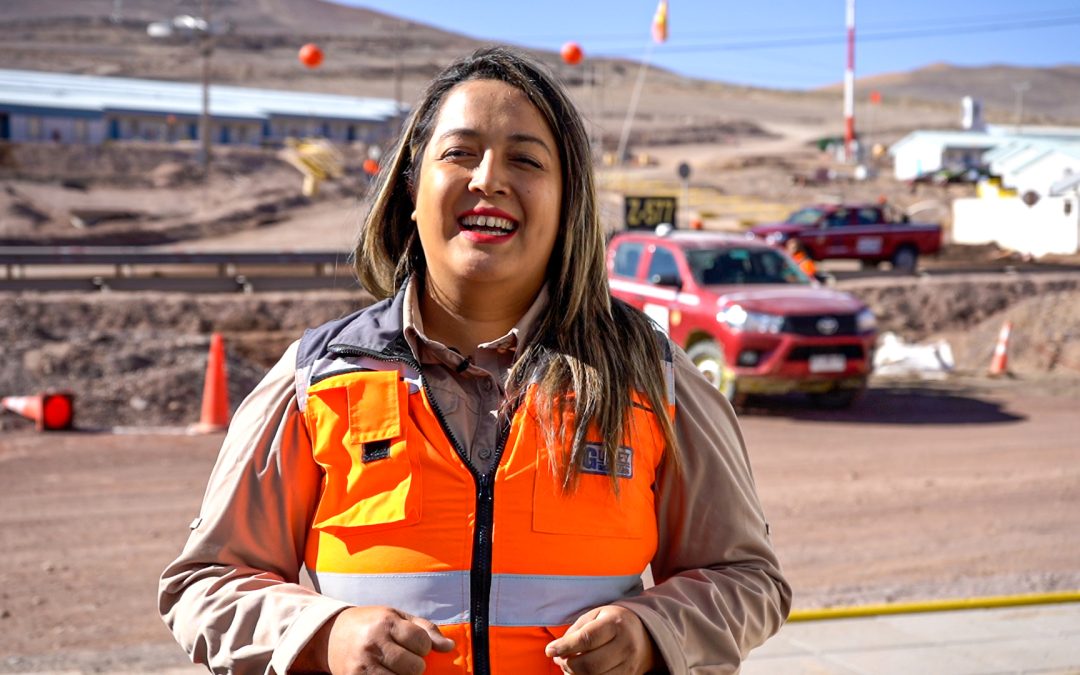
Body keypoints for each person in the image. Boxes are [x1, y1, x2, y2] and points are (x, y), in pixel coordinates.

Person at [159, 46, 790, 675]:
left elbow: (747, 579)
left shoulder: (653, 377)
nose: (489, 178)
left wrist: (654, 633)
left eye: (525, 158)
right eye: (460, 153)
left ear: (569, 200)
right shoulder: (315, 378)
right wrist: (326, 634)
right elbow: (205, 583)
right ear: (411, 186)